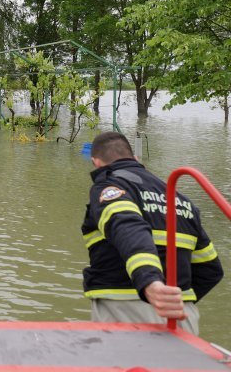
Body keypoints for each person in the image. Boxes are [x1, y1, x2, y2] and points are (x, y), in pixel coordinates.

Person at [82, 131, 223, 334]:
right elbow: (211, 269)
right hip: (181, 317)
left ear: (96, 162)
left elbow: (128, 227)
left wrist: (151, 285)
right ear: (136, 159)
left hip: (125, 312)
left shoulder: (109, 187)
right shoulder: (179, 199)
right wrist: (173, 300)